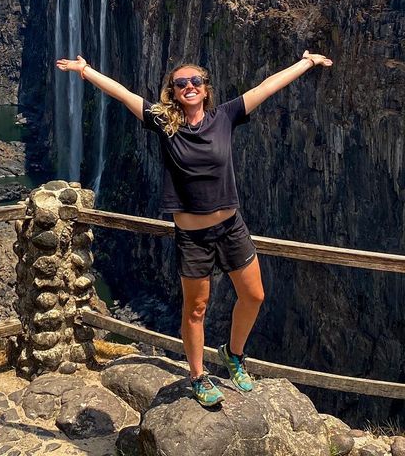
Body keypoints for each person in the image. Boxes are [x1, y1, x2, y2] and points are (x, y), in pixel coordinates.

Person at [55, 51, 333, 406]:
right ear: (172, 91)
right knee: (196, 309)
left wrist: (307, 62)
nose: (188, 86)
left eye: (195, 82)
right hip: (193, 237)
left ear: (205, 89)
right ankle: (199, 377)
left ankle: (233, 355)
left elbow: (268, 86)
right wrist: (86, 71)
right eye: (180, 83)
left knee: (254, 296)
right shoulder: (163, 122)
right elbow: (124, 94)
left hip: (232, 227)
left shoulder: (226, 116)